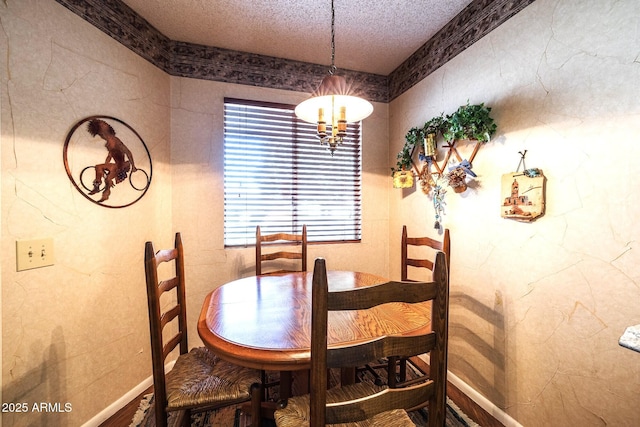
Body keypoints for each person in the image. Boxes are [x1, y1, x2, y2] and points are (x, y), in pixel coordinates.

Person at [86, 119, 137, 202]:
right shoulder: (108, 143)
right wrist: (105, 168)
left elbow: (128, 152)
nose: (105, 124)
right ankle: (97, 186)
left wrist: (133, 166)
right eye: (102, 124)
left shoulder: (115, 140)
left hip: (122, 166)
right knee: (98, 167)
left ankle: (105, 195)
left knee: (108, 179)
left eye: (104, 124)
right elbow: (110, 156)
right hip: (116, 165)